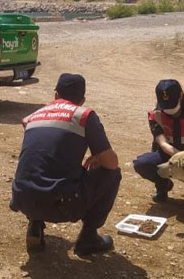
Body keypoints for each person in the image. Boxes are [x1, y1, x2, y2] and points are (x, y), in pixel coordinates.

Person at [10, 73, 121, 255]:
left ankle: (34, 226)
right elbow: (111, 163)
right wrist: (98, 158)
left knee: (39, 169)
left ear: (55, 95)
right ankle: (88, 238)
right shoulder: (84, 115)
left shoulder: (33, 116)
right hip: (61, 206)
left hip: (22, 199)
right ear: (82, 100)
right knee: (112, 174)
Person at [133, 79, 184, 205]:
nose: (169, 110)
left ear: (180, 96)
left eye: (172, 104)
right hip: (167, 156)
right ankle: (163, 185)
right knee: (143, 163)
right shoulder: (155, 115)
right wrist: (180, 158)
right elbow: (162, 143)